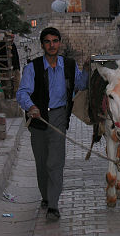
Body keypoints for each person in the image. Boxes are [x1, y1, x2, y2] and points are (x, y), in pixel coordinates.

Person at [16, 27, 89, 221]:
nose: (52, 45)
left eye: (55, 41)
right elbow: (22, 92)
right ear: (42, 45)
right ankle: (46, 197)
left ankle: (53, 206)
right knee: (42, 163)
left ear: (59, 43)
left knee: (55, 162)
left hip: (58, 117)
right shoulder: (33, 67)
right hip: (38, 119)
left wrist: (89, 68)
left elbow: (80, 85)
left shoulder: (70, 66)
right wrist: (31, 106)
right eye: (47, 41)